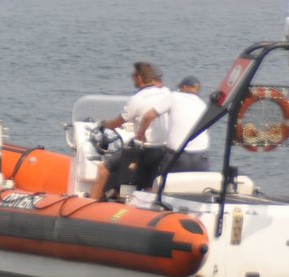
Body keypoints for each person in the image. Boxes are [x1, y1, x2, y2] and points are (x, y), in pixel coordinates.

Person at [86, 62, 171, 201]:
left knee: (103, 168)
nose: (132, 78)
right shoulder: (166, 93)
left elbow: (117, 123)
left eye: (133, 75)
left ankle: (91, 203)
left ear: (139, 77)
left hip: (145, 151)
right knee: (149, 182)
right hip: (163, 151)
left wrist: (104, 124)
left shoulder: (136, 100)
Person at [136, 74, 211, 175]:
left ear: (185, 87)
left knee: (157, 183)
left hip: (178, 156)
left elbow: (148, 117)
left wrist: (141, 133)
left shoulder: (175, 96)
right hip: (202, 157)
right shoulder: (204, 105)